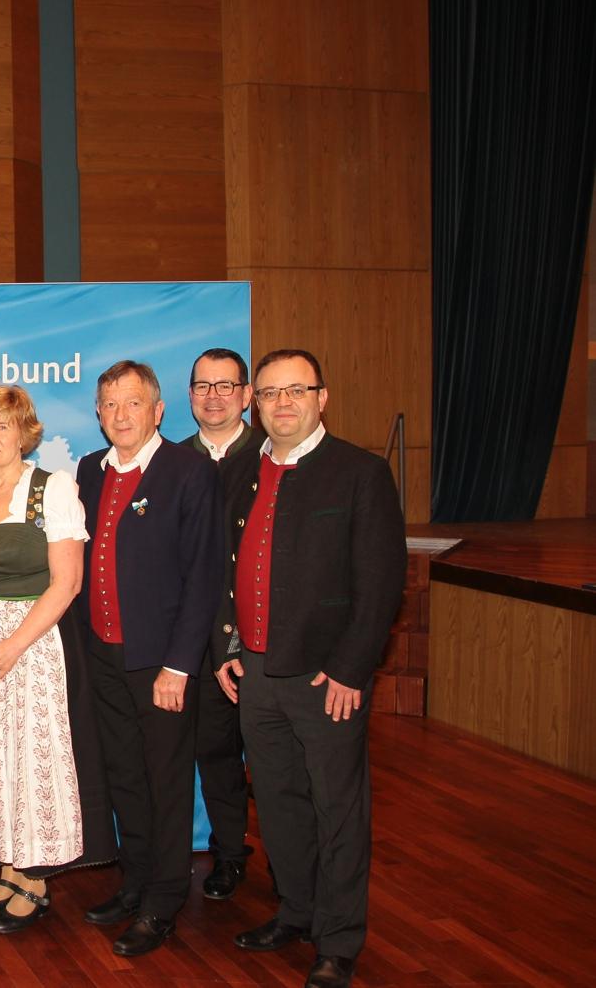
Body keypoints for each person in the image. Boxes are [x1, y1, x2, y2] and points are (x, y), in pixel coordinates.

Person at [213, 350, 405, 988]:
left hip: (328, 678)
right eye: (269, 394)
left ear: (323, 397)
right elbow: (224, 572)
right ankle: (294, 911)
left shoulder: (360, 473)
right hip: (257, 673)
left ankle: (339, 939)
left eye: (296, 390)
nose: (283, 403)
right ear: (255, 404)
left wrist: (353, 669)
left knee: (337, 809)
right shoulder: (242, 472)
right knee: (279, 802)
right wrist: (227, 649)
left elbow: (381, 582)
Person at [0, 385, 116, 934]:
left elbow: (68, 583)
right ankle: (7, 872)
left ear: (24, 432)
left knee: (24, 762)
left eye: (1, 427)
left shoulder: (52, 489)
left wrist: (11, 646)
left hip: (29, 645)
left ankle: (33, 880)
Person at [73, 360, 223, 958]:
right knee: (123, 777)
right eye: (108, 404)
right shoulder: (89, 471)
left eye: (132, 403)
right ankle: (134, 881)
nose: (119, 415)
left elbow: (204, 576)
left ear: (159, 410)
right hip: (104, 657)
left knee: (164, 782)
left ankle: (164, 898)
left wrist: (180, 665)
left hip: (161, 665)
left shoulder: (189, 472)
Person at [183, 348, 264, 900]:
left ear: (246, 395)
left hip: (261, 636)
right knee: (214, 753)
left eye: (225, 386)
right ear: (188, 395)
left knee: (275, 761)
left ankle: (295, 872)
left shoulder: (271, 455)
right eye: (203, 386)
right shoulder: (171, 460)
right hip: (194, 635)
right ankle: (229, 852)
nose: (214, 397)